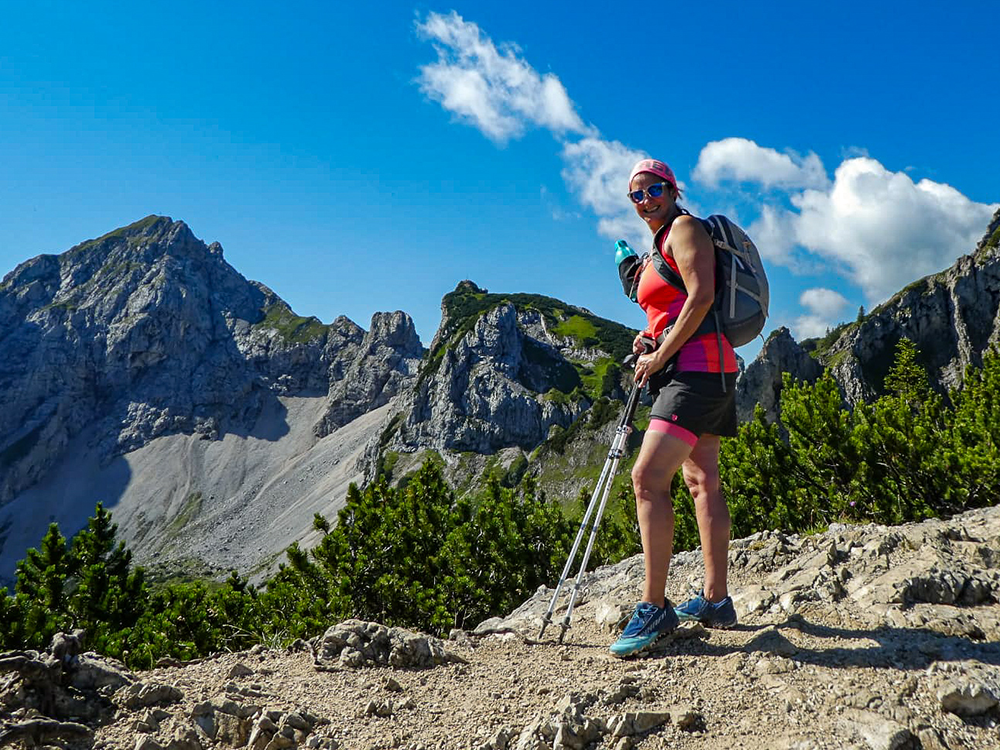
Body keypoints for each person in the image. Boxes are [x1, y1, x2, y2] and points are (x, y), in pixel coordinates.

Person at [609, 158, 740, 658]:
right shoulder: (661, 240)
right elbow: (674, 307)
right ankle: (715, 599)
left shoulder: (684, 228)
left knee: (646, 479)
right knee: (701, 478)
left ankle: (655, 607)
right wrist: (653, 337)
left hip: (695, 371)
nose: (646, 201)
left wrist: (662, 353)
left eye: (654, 190)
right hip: (708, 368)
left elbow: (702, 295)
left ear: (672, 189)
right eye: (636, 196)